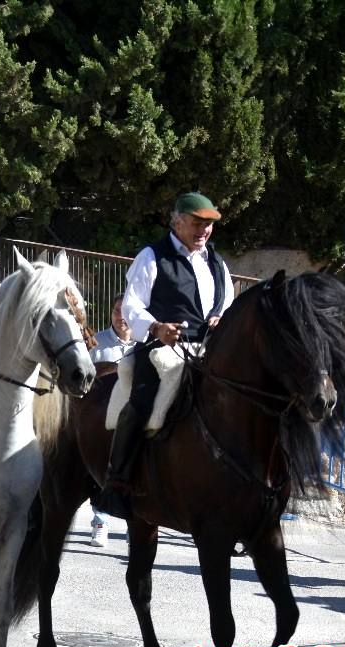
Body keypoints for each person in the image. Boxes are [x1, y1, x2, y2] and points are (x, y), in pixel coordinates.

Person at [93, 191, 235, 521]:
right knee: (141, 401)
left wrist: (220, 317)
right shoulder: (151, 256)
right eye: (198, 223)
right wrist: (156, 327)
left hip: (206, 350)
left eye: (209, 225)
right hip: (160, 348)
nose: (204, 231)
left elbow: (227, 300)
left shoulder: (216, 261)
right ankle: (117, 482)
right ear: (177, 221)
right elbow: (131, 305)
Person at [86, 292, 136, 547]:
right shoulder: (96, 343)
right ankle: (100, 521)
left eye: (126, 311)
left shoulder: (144, 342)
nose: (121, 317)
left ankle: (133, 524)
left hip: (130, 418)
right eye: (117, 311)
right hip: (101, 418)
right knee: (99, 470)